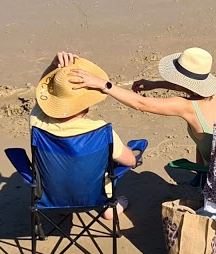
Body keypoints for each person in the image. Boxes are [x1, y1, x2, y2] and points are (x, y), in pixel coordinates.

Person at [67, 47, 216, 164]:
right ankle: (199, 178)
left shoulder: (185, 106)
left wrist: (104, 85)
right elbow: (191, 88)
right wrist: (155, 84)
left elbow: (140, 103)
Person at [33, 53, 139, 216]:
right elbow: (130, 161)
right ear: (87, 102)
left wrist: (53, 67)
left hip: (51, 196)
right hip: (94, 196)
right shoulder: (100, 131)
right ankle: (110, 207)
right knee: (119, 159)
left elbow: (40, 94)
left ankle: (62, 206)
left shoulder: (37, 122)